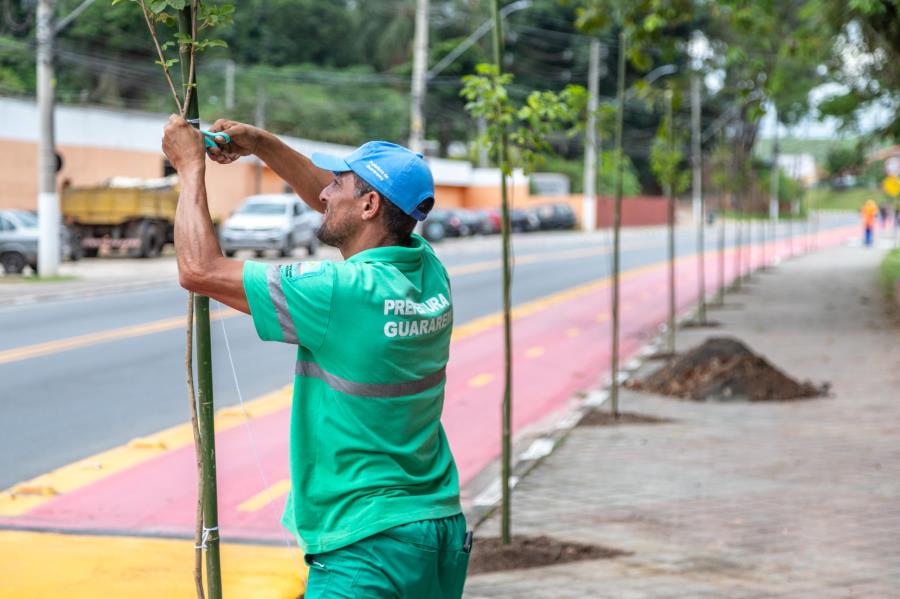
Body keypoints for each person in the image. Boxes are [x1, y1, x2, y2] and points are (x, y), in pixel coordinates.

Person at [161, 115, 471, 598]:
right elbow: (342, 211)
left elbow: (199, 269)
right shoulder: (426, 269)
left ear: (369, 205)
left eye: (338, 184)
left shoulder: (340, 292)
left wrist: (189, 167)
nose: (324, 194)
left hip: (366, 543)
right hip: (435, 526)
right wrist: (260, 144)